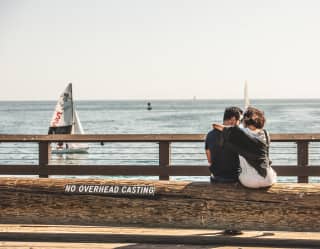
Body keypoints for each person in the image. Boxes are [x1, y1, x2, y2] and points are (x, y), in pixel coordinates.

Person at [213, 107, 277, 188]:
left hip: (249, 181)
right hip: (268, 179)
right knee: (272, 173)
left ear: (245, 121)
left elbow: (216, 126)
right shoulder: (266, 133)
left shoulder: (241, 132)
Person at [205, 106, 243, 183]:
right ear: (233, 119)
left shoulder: (209, 134)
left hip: (216, 177)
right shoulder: (237, 135)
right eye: (240, 120)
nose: (241, 123)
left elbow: (209, 160)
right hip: (235, 178)